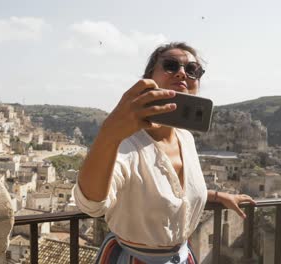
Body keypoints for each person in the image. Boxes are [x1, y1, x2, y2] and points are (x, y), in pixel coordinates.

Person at [73, 42, 256, 264]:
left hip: (181, 256)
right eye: (170, 66)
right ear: (149, 79)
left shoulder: (185, 137)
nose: (182, 73)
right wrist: (109, 134)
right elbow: (91, 205)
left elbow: (167, 192)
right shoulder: (126, 141)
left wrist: (217, 196)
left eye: (192, 70)